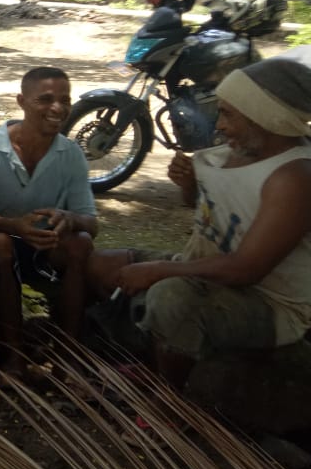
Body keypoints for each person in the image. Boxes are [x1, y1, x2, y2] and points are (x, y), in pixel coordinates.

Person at [91, 57, 311, 390]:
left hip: (269, 303)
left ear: (265, 117)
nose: (219, 125)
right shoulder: (239, 151)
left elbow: (246, 270)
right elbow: (207, 212)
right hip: (206, 266)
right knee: (98, 265)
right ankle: (150, 363)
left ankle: (171, 403)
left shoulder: (293, 178)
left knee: (170, 298)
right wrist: (191, 187)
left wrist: (159, 270)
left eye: (228, 114)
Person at [0, 66, 98, 376]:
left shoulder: (71, 154)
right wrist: (14, 227)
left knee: (81, 244)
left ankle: (68, 352)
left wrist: (69, 218)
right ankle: (14, 355)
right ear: (21, 102)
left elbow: (91, 223)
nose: (58, 108)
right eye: (46, 99)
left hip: (43, 247)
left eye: (65, 99)